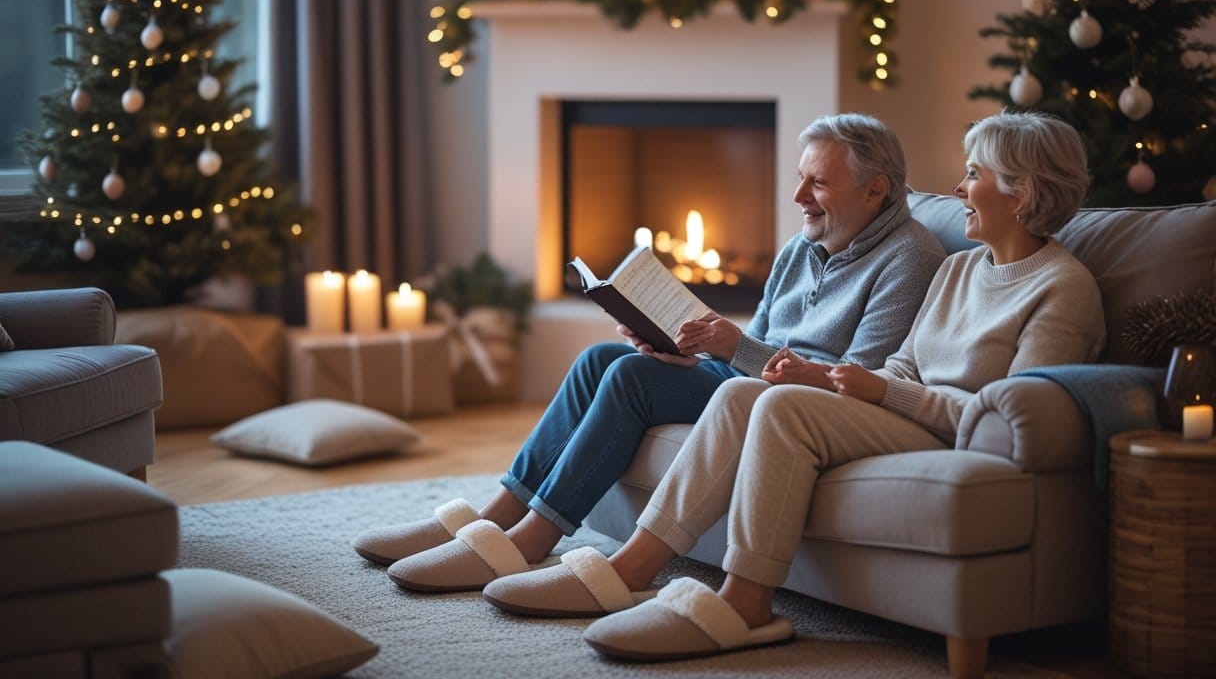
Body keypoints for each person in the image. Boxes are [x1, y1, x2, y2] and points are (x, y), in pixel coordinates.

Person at [480, 110, 1107, 662]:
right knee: (733, 393)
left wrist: (878, 390)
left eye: (974, 174)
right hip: (893, 406)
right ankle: (629, 567)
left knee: (777, 407)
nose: (957, 188)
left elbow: (1007, 414)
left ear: (1021, 193)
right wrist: (863, 383)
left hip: (945, 430)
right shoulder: (964, 268)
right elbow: (903, 366)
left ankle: (745, 602)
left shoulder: (1062, 287)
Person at [352, 113, 946, 594]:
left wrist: (732, 346)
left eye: (816, 183)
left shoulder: (908, 257)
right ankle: (492, 517)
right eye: (800, 178)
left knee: (633, 380)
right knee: (600, 362)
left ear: (876, 190)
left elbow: (855, 378)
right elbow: (762, 332)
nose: (798, 196)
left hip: (790, 399)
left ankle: (532, 540)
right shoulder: (804, 244)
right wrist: (684, 351)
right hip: (746, 375)